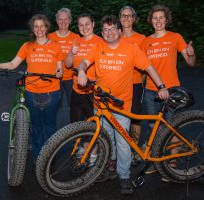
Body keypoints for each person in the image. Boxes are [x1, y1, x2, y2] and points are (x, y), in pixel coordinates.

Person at [77, 15, 168, 194]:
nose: (109, 33)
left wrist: (161, 86)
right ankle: (110, 167)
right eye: (105, 30)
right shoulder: (98, 47)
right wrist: (81, 72)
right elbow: (84, 62)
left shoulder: (131, 49)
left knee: (123, 143)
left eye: (113, 29)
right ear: (101, 32)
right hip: (101, 104)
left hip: (121, 105)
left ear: (119, 31)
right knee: (106, 138)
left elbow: (148, 67)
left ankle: (124, 176)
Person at [0, 14, 63, 158]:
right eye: (36, 26)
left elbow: (59, 67)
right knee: (36, 126)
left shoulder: (55, 46)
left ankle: (49, 159)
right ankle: (38, 156)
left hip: (52, 92)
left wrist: (59, 72)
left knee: (49, 126)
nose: (39, 29)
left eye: (42, 26)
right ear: (33, 28)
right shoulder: (27, 46)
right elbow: (13, 64)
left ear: (47, 27)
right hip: (31, 92)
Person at [141, 5, 196, 175]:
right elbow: (144, 69)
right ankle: (158, 161)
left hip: (172, 89)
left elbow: (190, 63)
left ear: (166, 20)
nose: (158, 21)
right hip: (151, 91)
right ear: (151, 20)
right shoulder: (145, 41)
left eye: (161, 18)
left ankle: (172, 164)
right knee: (154, 128)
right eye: (155, 18)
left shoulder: (175, 37)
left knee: (172, 127)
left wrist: (191, 53)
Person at [65, 13, 103, 165]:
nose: (84, 27)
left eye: (87, 24)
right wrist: (70, 53)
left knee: (93, 125)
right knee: (77, 124)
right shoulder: (76, 41)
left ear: (93, 24)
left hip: (92, 92)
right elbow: (68, 64)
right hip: (76, 90)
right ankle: (84, 148)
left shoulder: (100, 42)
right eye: (81, 25)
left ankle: (93, 156)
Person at [119, 5, 146, 166]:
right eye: (123, 15)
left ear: (134, 19)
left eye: (129, 16)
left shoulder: (141, 39)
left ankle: (134, 149)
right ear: (120, 18)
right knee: (117, 118)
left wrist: (140, 81)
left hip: (135, 84)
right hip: (117, 86)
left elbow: (146, 64)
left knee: (135, 118)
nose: (126, 18)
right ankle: (121, 150)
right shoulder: (114, 35)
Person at [48, 8, 80, 127]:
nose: (63, 21)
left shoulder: (76, 37)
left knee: (73, 107)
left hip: (71, 78)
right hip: (54, 78)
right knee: (53, 108)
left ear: (70, 20)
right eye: (60, 19)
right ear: (56, 21)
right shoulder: (49, 37)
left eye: (66, 19)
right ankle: (54, 135)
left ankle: (73, 134)